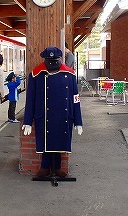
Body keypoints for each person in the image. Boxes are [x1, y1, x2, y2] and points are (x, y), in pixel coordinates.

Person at [21, 46, 83, 178]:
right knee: (45, 140)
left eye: (54, 60)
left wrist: (78, 121)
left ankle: (57, 167)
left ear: (59, 59)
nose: (52, 63)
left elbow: (75, 99)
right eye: (49, 60)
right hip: (44, 115)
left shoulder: (70, 74)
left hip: (63, 115)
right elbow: (30, 99)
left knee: (60, 140)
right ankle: (44, 166)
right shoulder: (36, 74)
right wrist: (27, 121)